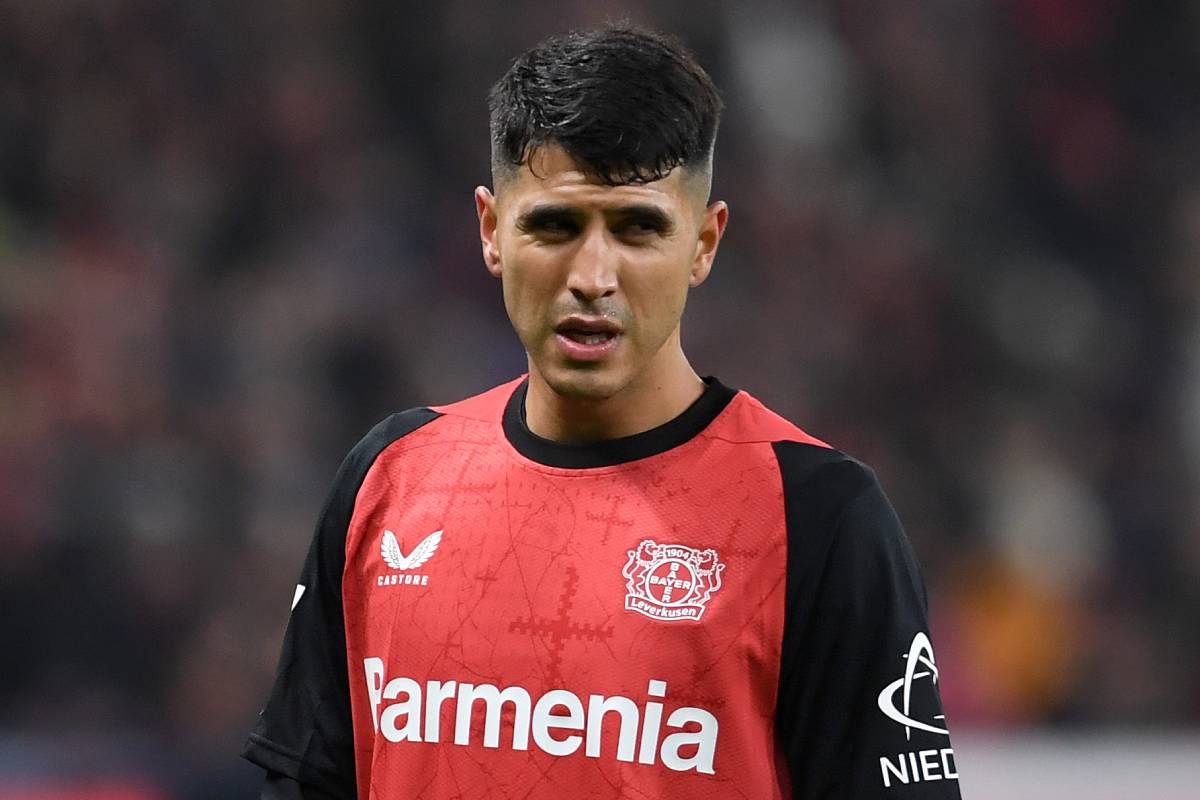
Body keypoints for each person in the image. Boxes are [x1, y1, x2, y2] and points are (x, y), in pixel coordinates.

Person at [242, 25, 962, 800]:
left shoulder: (818, 518)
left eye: (637, 228)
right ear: (491, 230)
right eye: (554, 224)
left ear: (704, 242)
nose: (592, 275)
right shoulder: (390, 480)